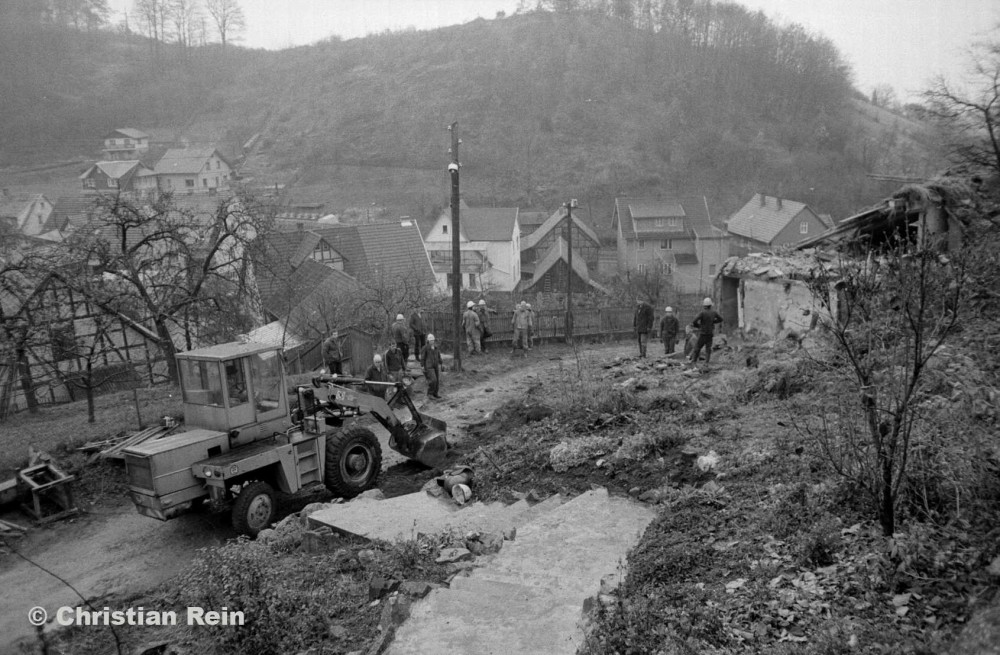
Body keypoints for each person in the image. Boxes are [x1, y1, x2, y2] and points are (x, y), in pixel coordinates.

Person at [689, 297, 723, 365]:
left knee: (697, 347)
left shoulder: (702, 313)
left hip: (703, 333)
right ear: (710, 305)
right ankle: (706, 362)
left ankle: (694, 361)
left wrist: (698, 326)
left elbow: (694, 321)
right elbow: (721, 319)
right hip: (710, 333)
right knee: (708, 348)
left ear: (704, 305)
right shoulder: (714, 312)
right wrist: (713, 322)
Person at [420, 333, 443, 399]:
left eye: (433, 340)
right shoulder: (425, 348)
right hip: (429, 366)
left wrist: (441, 362)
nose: (432, 341)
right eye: (431, 340)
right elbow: (422, 358)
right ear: (428, 341)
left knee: (437, 381)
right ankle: (430, 393)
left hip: (435, 366)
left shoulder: (436, 348)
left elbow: (438, 356)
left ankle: (435, 393)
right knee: (433, 380)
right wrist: (422, 366)